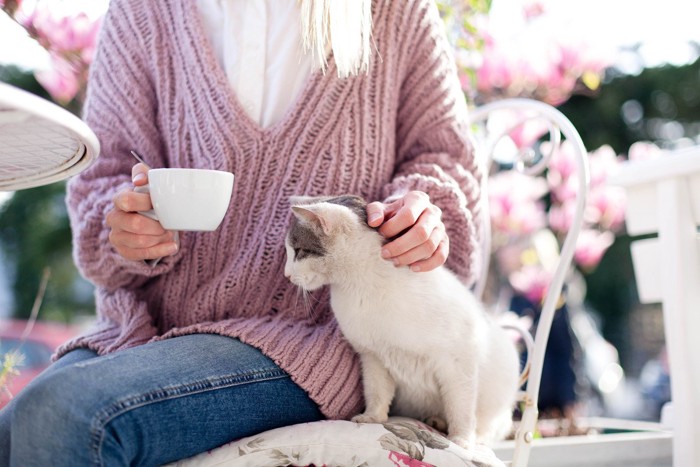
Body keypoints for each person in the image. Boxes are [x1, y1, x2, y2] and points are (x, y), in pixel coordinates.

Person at [0, 0, 484, 464]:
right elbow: (103, 178)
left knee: (62, 414)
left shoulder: (390, 8)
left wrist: (420, 215)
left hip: (316, 337)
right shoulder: (143, 9)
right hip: (151, 326)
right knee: (12, 430)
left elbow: (445, 159)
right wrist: (126, 230)